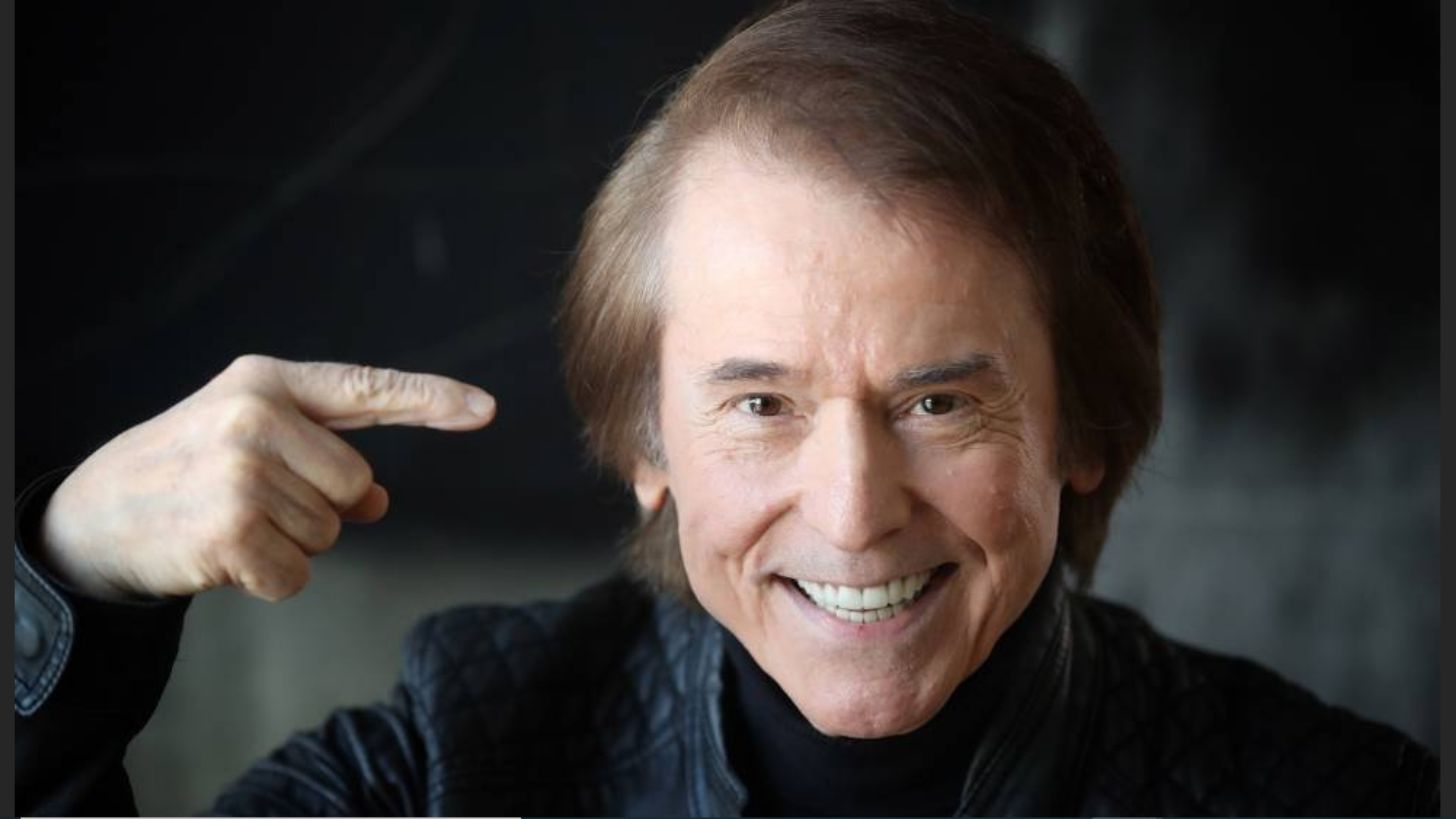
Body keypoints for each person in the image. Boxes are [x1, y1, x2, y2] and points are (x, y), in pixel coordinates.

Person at [14, 0, 1438, 815]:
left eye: (941, 400)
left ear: (1086, 429)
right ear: (650, 445)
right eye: (761, 403)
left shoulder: (1328, 798)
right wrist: (71, 584)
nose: (854, 512)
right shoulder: (464, 757)